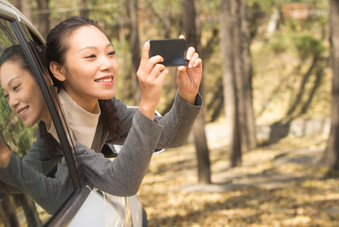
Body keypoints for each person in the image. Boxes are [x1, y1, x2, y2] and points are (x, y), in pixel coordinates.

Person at [0, 16, 203, 215]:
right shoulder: (61, 129)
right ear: (58, 70)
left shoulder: (105, 107)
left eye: (111, 53)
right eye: (90, 56)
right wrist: (147, 103)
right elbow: (120, 182)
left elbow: (169, 136)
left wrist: (187, 94)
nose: (107, 64)